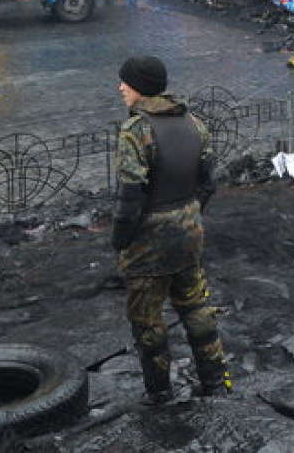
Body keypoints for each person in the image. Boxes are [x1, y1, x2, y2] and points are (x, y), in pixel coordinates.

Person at [112, 56, 229, 404]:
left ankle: (160, 393)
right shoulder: (195, 123)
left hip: (148, 245)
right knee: (196, 308)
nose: (120, 88)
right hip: (189, 235)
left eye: (126, 83)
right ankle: (215, 383)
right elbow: (209, 182)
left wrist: (120, 240)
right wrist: (189, 214)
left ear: (141, 88)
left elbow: (129, 196)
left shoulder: (136, 131)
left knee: (147, 321)